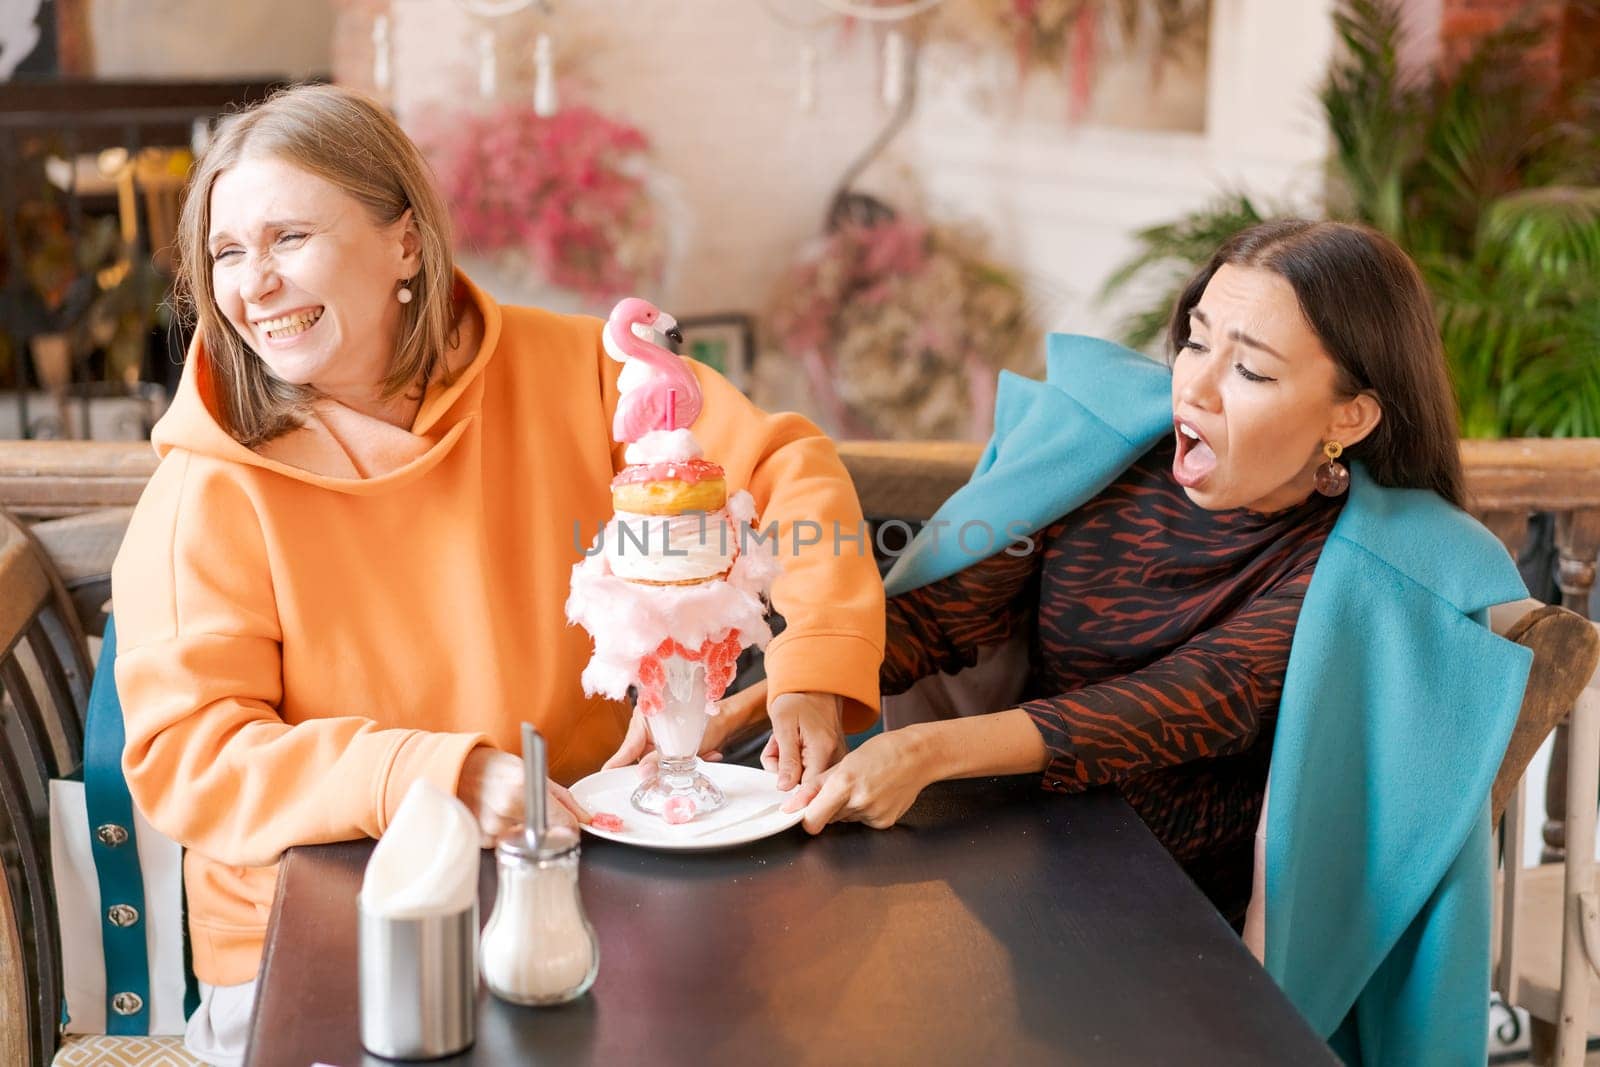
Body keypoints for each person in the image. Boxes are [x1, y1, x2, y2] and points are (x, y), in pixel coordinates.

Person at [111, 84, 884, 1066]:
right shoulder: (206, 488)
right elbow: (193, 757)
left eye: (287, 238)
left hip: (591, 873)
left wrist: (815, 661)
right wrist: (434, 776)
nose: (253, 284)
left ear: (405, 242)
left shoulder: (579, 368)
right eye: (227, 253)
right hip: (324, 935)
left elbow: (786, 470)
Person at [784, 219, 1531, 1065]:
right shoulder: (1111, 464)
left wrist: (924, 751)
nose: (1197, 389)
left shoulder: (1361, 573)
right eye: (1195, 342)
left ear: (1350, 416)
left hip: (1175, 943)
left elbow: (1168, 706)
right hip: (1008, 872)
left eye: (1249, 369)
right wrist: (786, 684)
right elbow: (950, 610)